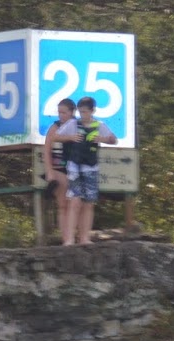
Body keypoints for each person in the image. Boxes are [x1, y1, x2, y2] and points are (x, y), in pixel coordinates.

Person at [62, 96, 117, 246]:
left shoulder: (100, 125)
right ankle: (69, 239)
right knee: (74, 202)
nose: (82, 115)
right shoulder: (73, 123)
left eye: (85, 112)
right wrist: (71, 137)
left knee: (89, 203)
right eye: (80, 112)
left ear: (92, 111)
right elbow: (56, 136)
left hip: (91, 167)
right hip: (75, 166)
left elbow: (114, 139)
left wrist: (102, 139)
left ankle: (85, 238)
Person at [42, 97, 77, 241]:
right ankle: (66, 239)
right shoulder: (55, 127)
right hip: (58, 168)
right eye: (59, 113)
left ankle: (72, 237)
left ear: (72, 112)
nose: (61, 115)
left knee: (75, 205)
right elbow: (47, 150)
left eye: (64, 112)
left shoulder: (78, 126)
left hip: (75, 168)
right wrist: (49, 171)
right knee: (63, 205)